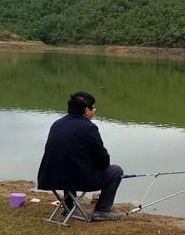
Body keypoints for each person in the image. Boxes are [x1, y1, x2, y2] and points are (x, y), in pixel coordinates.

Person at [37, 91, 124, 221]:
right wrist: (98, 166)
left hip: (51, 177)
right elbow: (103, 159)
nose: (94, 111)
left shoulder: (57, 124)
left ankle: (68, 206)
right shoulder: (89, 127)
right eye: (93, 108)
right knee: (116, 171)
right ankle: (102, 210)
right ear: (86, 110)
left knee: (69, 164)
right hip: (76, 179)